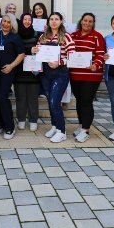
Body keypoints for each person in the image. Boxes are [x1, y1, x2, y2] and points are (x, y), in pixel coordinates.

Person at [32, 12, 75, 143]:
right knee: (50, 101)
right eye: (51, 19)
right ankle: (55, 126)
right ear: (48, 22)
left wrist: (59, 62)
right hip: (46, 73)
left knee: (55, 102)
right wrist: (34, 51)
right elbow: (39, 55)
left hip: (60, 73)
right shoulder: (43, 37)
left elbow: (72, 57)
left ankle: (62, 131)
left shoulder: (66, 37)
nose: (54, 21)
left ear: (61, 21)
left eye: (57, 19)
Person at [69, 13, 106, 143]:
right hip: (75, 75)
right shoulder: (73, 36)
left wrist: (96, 65)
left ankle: (86, 130)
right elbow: (68, 51)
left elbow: (101, 54)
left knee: (86, 101)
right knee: (79, 101)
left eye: (90, 21)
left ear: (93, 23)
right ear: (81, 21)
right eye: (85, 20)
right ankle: (81, 125)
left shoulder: (97, 36)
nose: (87, 23)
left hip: (92, 75)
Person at [0, 14, 25, 140]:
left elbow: (21, 54)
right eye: (4, 21)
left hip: (8, 71)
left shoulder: (15, 37)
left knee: (2, 97)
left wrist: (11, 66)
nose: (5, 24)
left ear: (12, 24)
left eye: (8, 22)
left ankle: (9, 127)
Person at [14, 13, 41, 131]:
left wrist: (38, 50)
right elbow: (14, 50)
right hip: (19, 71)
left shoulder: (37, 35)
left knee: (33, 98)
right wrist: (29, 50)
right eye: (25, 19)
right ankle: (21, 120)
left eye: (29, 19)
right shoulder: (15, 35)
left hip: (33, 71)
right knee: (20, 98)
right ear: (21, 21)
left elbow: (43, 50)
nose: (27, 21)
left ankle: (33, 120)